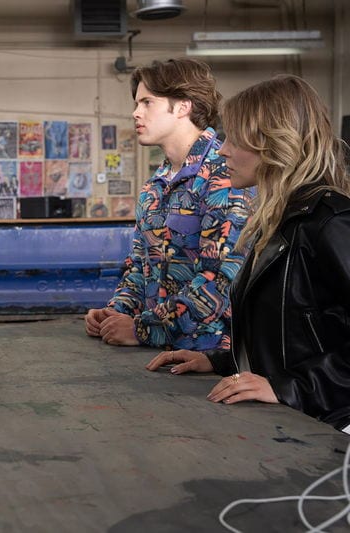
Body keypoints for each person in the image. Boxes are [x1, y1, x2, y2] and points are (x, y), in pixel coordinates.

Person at [146, 75, 350, 433]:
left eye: (235, 139)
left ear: (272, 143)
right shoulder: (280, 220)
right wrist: (221, 361)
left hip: (330, 431)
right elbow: (289, 339)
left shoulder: (330, 222)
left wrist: (290, 388)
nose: (222, 150)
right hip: (292, 425)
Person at [85, 58, 253, 351]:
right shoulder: (155, 187)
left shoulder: (224, 176)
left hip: (210, 358)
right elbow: (140, 267)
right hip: (154, 353)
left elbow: (220, 281)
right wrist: (114, 313)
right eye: (137, 103)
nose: (136, 113)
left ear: (183, 106)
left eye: (147, 102)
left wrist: (144, 328)